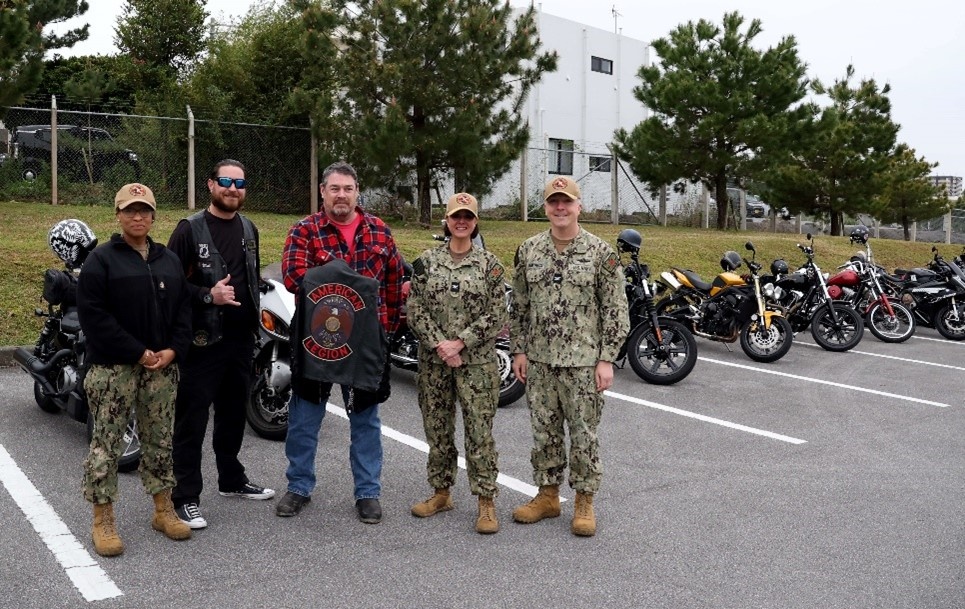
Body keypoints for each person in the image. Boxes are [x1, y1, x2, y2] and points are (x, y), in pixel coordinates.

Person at [276, 161, 404, 523]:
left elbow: (393, 282)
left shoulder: (379, 230)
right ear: (322, 192)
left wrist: (387, 331)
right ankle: (298, 486)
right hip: (317, 341)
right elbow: (293, 276)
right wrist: (344, 278)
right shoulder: (305, 231)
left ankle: (367, 493)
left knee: (366, 419)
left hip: (366, 343)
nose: (342, 195)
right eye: (334, 188)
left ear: (357, 191)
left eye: (348, 189)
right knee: (304, 418)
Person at [77, 183, 194, 557]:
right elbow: (94, 318)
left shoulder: (168, 260)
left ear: (154, 215)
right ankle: (103, 519)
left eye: (144, 210)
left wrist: (174, 350)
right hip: (114, 369)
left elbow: (183, 312)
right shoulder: (102, 260)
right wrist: (139, 352)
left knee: (160, 441)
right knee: (107, 445)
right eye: (130, 210)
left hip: (161, 368)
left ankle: (163, 509)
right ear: (118, 215)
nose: (138, 216)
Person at [509, 176, 629, 537]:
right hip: (541, 362)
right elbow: (519, 307)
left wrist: (607, 358)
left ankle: (584, 500)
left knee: (584, 435)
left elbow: (616, 310)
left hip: (583, 363)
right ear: (545, 207)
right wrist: (519, 349)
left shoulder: (600, 253)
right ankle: (547, 496)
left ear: (579, 206)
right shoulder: (529, 250)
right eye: (553, 202)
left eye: (567, 202)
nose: (560, 208)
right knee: (543, 433)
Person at [166, 159, 274, 530]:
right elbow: (168, 285)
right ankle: (185, 497)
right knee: (192, 421)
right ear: (211, 185)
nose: (233, 188)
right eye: (226, 181)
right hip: (201, 344)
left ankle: (231, 479)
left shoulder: (248, 227)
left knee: (232, 417)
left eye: (239, 183)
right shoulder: (188, 230)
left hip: (240, 341)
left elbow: (250, 276)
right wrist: (209, 296)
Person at [406, 193, 507, 534]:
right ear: (446, 221)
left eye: (468, 217)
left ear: (476, 222)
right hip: (435, 362)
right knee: (438, 430)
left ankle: (486, 502)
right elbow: (415, 308)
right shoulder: (425, 262)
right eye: (455, 216)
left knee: (479, 433)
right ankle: (441, 492)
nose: (461, 222)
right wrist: (441, 345)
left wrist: (460, 342)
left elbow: (497, 313)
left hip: (476, 364)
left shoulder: (490, 266)